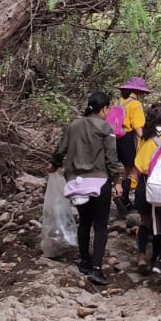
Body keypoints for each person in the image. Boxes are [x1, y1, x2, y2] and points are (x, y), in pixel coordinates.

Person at [50, 90, 123, 286]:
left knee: (84, 222)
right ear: (104, 108)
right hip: (99, 182)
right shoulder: (106, 128)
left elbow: (61, 149)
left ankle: (84, 261)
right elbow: (111, 158)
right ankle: (97, 269)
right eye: (108, 108)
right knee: (100, 227)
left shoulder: (74, 125)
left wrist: (54, 164)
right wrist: (117, 181)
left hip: (76, 182)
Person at [132, 106, 161, 271]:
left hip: (145, 181)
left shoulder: (145, 137)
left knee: (145, 221)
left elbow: (138, 162)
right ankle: (158, 258)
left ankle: (142, 254)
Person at [114, 78, 150, 208]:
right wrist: (147, 140)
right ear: (137, 92)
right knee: (133, 169)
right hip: (128, 138)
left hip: (116, 137)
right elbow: (138, 126)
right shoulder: (135, 104)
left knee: (126, 168)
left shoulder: (120, 101)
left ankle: (121, 194)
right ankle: (124, 198)